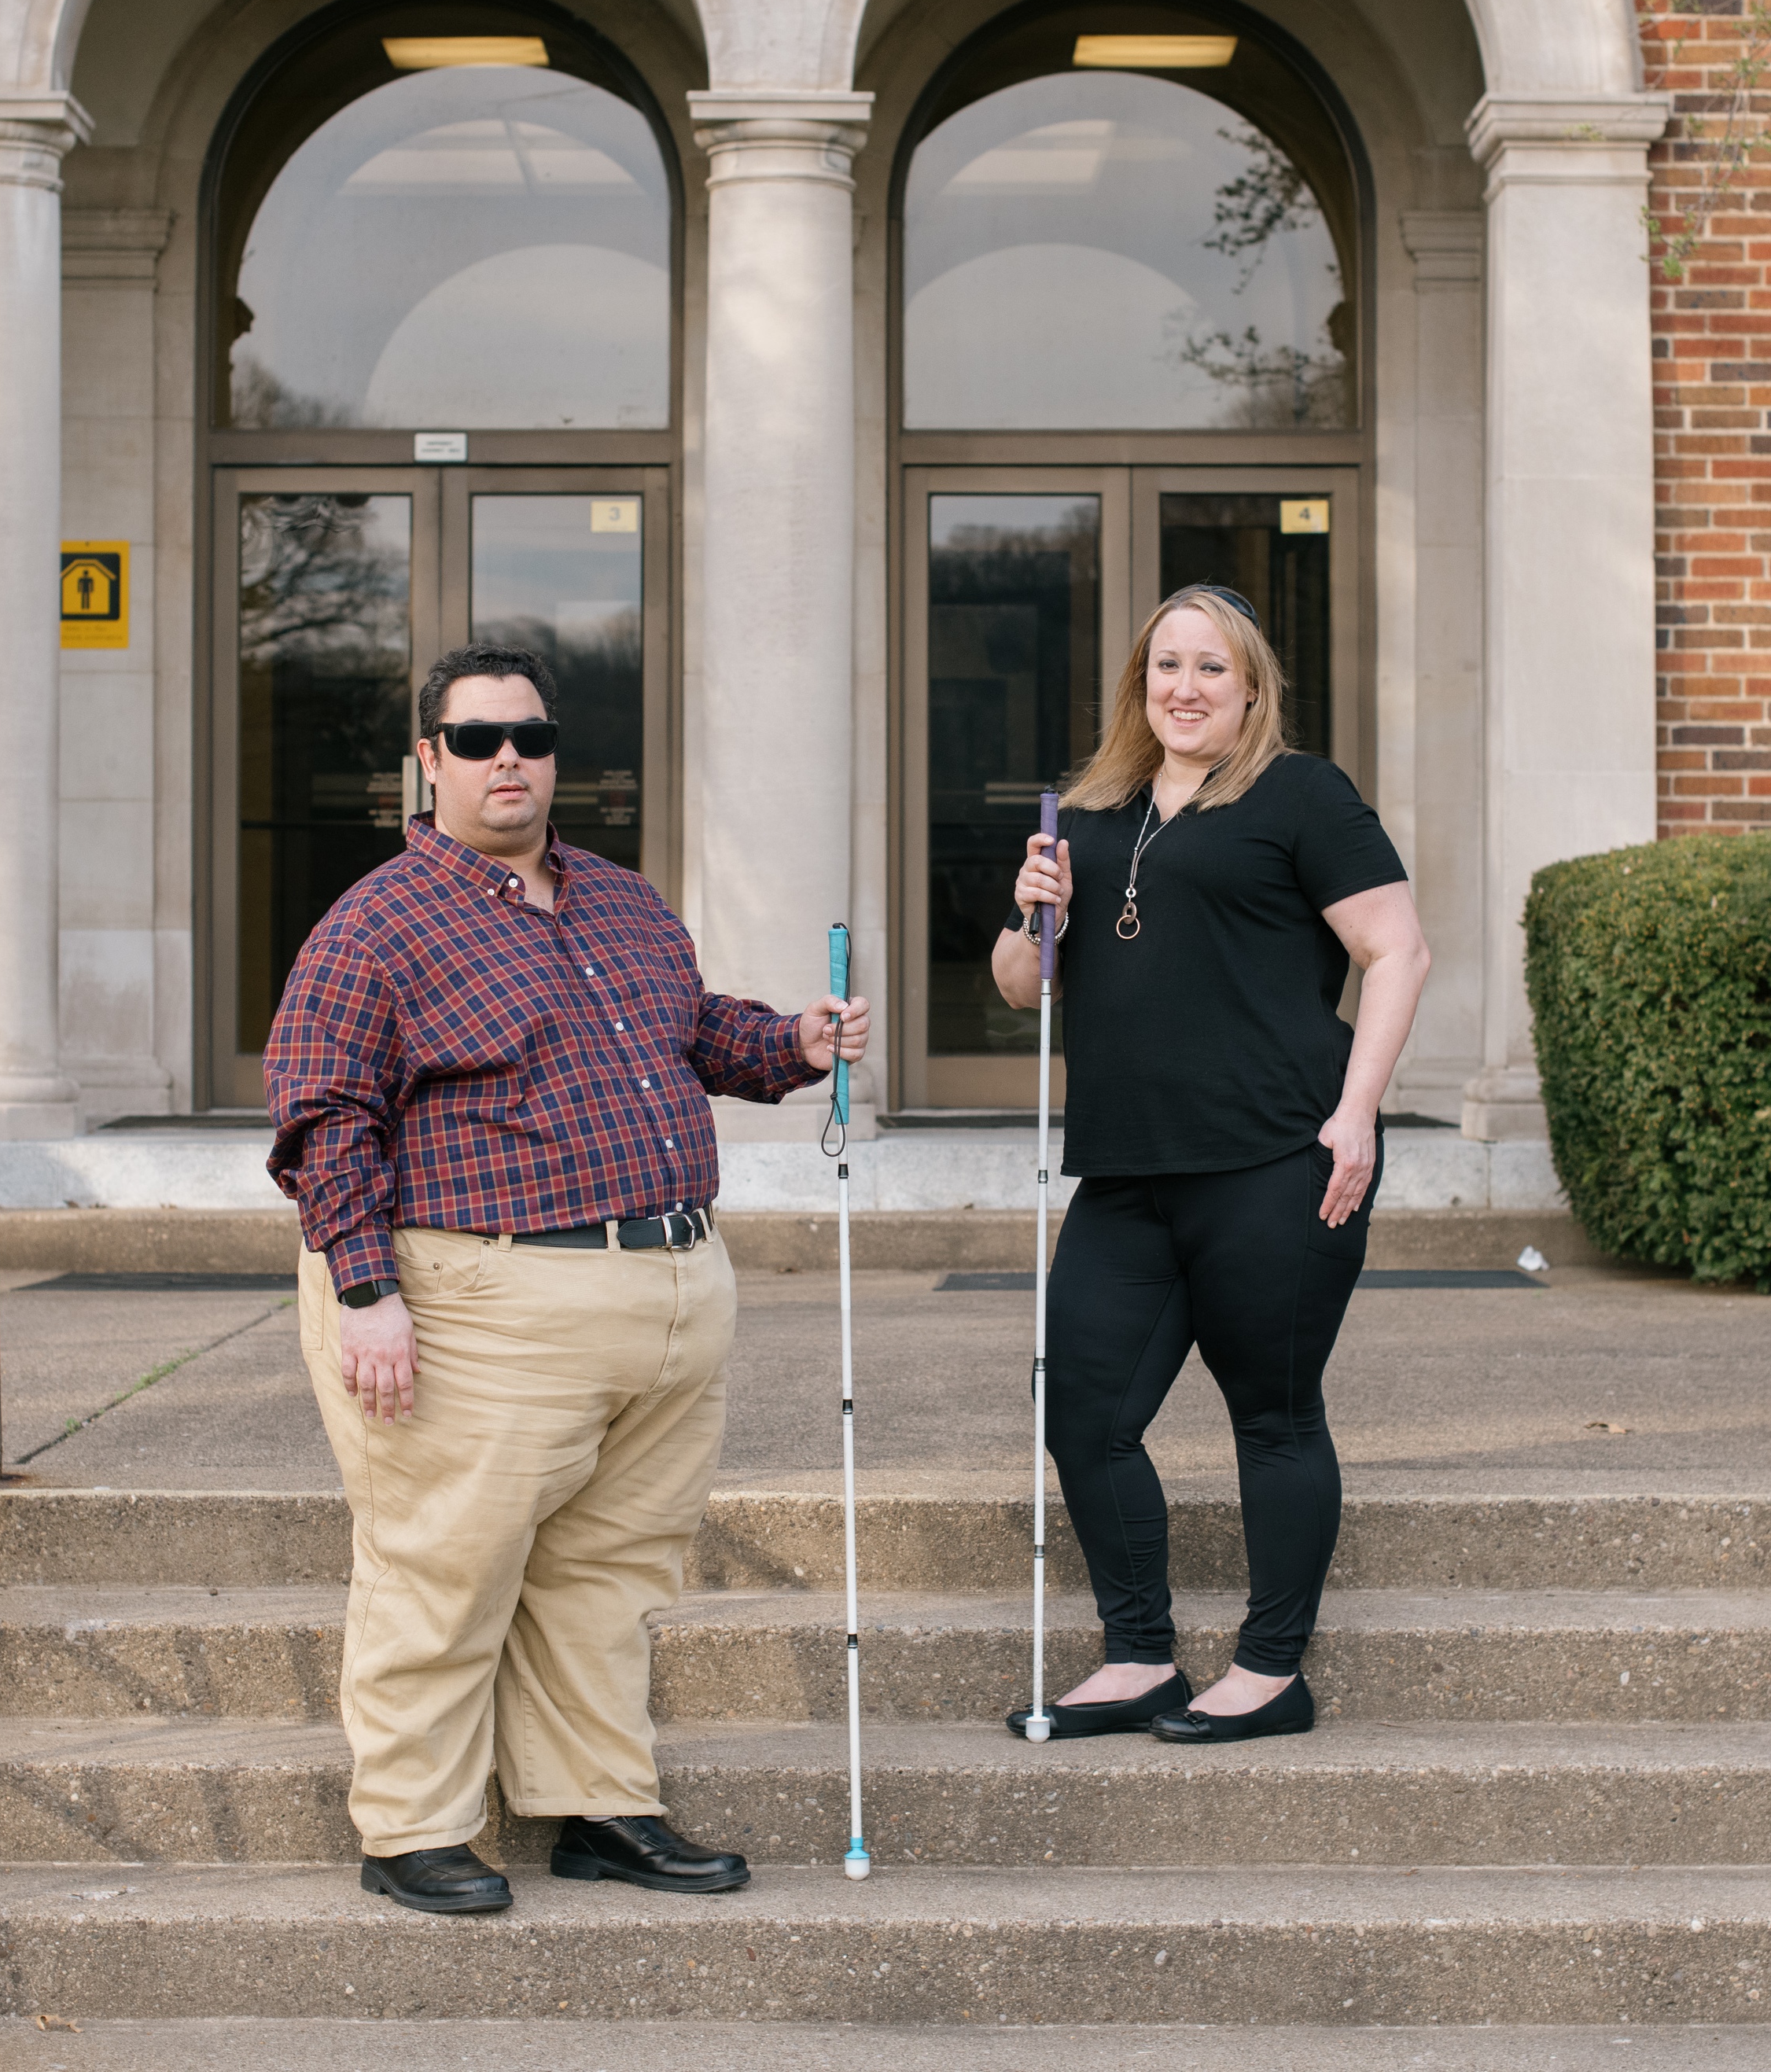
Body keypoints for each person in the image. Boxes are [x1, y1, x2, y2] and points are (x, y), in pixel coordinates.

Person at [267, 641, 871, 1915]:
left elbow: (690, 1029)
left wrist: (793, 1043)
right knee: (445, 1568)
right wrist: (367, 1294)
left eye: (530, 740)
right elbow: (325, 1120)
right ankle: (413, 1827)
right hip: (480, 1303)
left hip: (661, 1292)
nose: (508, 763)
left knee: (612, 1577)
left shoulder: (618, 897)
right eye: (477, 740)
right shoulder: (373, 925)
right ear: (427, 758)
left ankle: (598, 1806)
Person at [992, 586, 1430, 1744]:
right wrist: (1025, 913)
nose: (1184, 688)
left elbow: (1396, 951)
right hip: (1129, 1172)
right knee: (1083, 1410)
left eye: (1211, 669)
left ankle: (1273, 1670)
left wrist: (1359, 1113)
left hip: (1278, 1156)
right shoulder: (1090, 812)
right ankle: (1140, 1655)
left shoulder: (1302, 795)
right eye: (1166, 665)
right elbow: (1023, 987)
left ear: (1250, 688)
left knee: (1273, 1416)